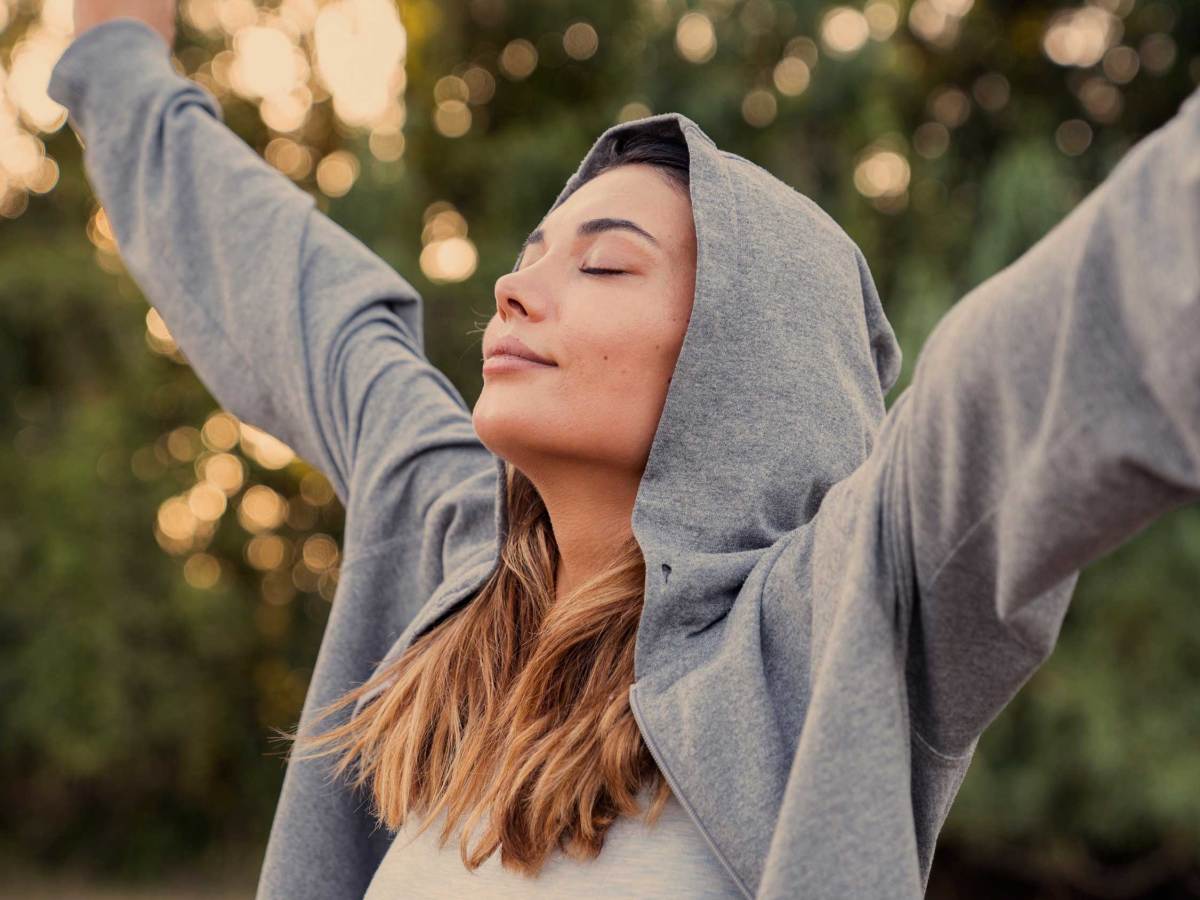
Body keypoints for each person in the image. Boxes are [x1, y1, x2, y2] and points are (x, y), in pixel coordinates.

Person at [48, 4, 1200, 899]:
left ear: (748, 363)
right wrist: (117, 57)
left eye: (602, 265)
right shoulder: (442, 547)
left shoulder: (845, 614)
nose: (512, 287)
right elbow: (296, 297)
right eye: (534, 251)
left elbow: (1063, 339)